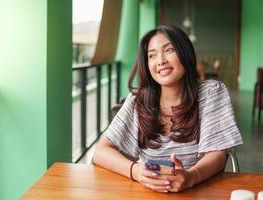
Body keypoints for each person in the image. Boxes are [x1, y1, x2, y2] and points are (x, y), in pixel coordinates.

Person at [93, 25, 243, 193]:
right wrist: (137, 171)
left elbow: (217, 154)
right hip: (150, 192)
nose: (161, 60)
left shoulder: (211, 92)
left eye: (169, 50)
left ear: (184, 53)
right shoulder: (138, 100)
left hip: (200, 189)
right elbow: (100, 152)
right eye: (152, 55)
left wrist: (191, 176)